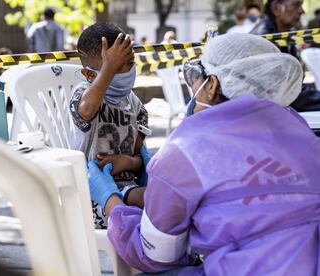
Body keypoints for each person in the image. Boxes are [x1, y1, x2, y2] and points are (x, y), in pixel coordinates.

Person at [87, 33, 320, 275]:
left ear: (212, 85)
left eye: (196, 76)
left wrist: (111, 201)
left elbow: (157, 254)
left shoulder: (187, 150)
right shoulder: (301, 130)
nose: (193, 86)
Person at [70, 23, 149, 229]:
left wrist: (128, 162)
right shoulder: (82, 94)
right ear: (89, 74)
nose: (126, 70)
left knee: (165, 197)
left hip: (127, 188)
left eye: (129, 62)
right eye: (115, 66)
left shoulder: (135, 105)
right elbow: (87, 110)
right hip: (92, 193)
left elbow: (139, 157)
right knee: (154, 205)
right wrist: (109, 68)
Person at [251, 0, 320, 112]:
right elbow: (284, 91)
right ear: (276, 9)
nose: (302, 11)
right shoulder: (264, 38)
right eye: (296, 4)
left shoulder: (283, 34)